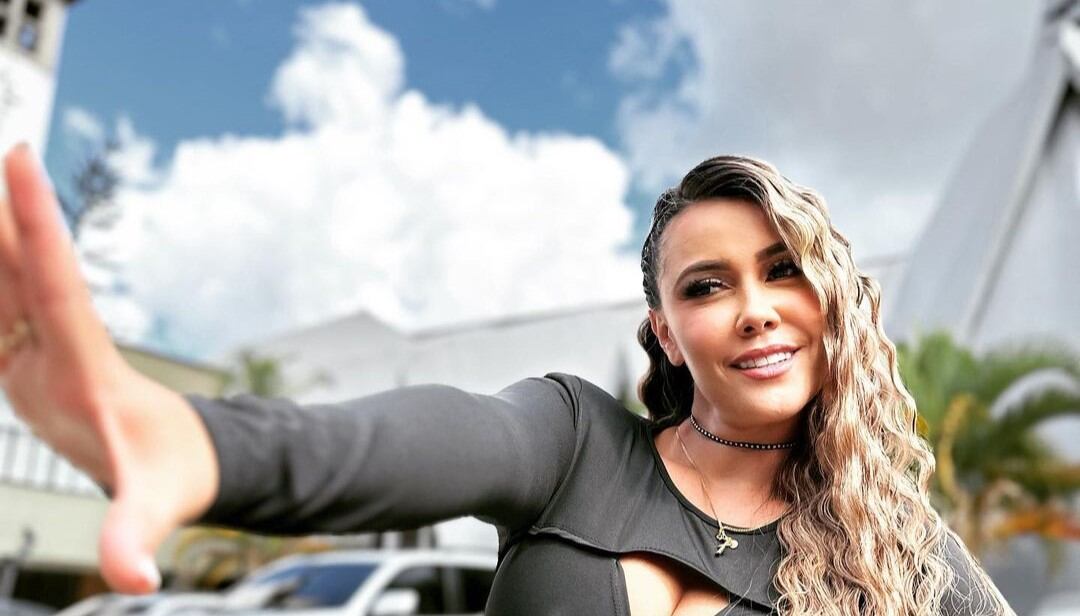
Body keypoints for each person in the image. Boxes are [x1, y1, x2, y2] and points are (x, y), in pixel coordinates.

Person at [0, 144, 1014, 615]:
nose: (754, 307)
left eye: (783, 270)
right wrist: (197, 443)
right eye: (707, 286)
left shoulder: (893, 549)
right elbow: (407, 440)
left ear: (831, 302)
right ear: (665, 334)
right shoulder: (575, 443)